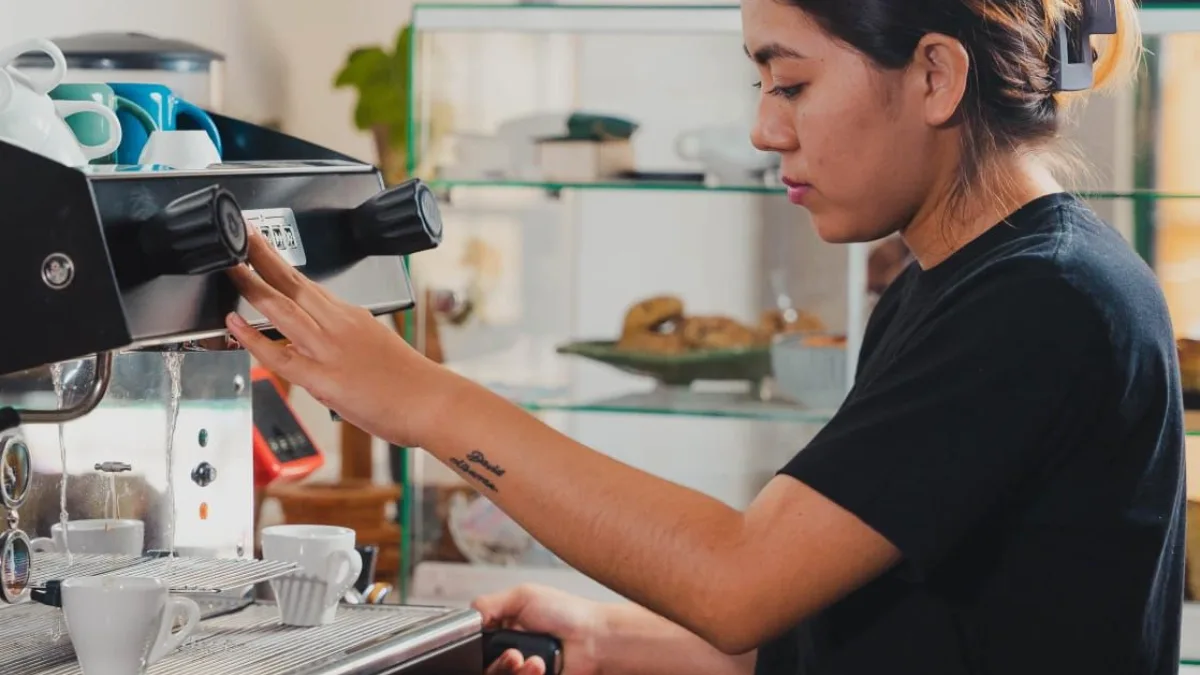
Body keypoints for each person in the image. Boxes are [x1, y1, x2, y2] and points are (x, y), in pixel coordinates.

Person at [224, 0, 1186, 672]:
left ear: (936, 76)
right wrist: (610, 640)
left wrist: (422, 399)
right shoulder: (942, 286)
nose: (765, 129)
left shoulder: (1047, 301)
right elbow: (882, 625)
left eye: (790, 83)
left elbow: (738, 579)